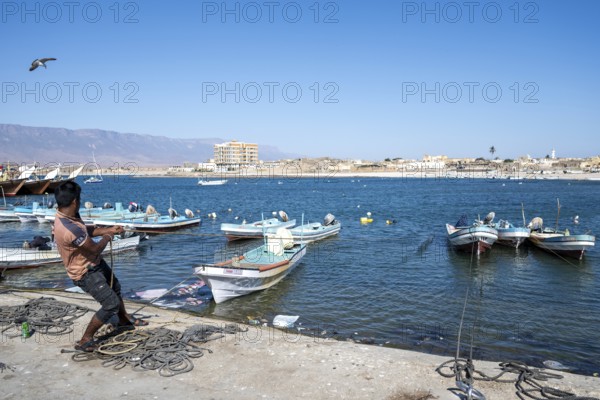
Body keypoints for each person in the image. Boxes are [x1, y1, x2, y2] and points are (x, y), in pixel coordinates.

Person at [53, 181, 148, 352]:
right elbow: (95, 248)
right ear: (75, 200)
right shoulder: (68, 229)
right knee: (110, 303)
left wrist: (107, 229)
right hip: (84, 272)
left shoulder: (68, 215)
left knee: (115, 286)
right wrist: (109, 236)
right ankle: (85, 339)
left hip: (93, 262)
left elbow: (85, 231)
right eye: (79, 199)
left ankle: (124, 320)